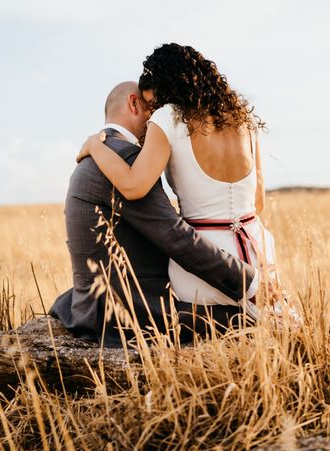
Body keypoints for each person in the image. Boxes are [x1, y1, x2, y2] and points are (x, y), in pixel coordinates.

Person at [50, 81, 264, 348]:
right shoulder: (126, 157)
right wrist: (251, 284)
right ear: (133, 103)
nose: (155, 125)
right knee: (247, 320)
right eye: (153, 111)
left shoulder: (97, 156)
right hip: (130, 313)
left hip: (87, 305)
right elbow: (176, 237)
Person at [77, 44, 284, 314]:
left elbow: (133, 186)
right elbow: (258, 203)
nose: (151, 112)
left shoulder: (168, 118)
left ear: (166, 90)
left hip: (203, 270)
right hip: (259, 258)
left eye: (153, 104)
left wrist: (95, 146)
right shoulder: (243, 118)